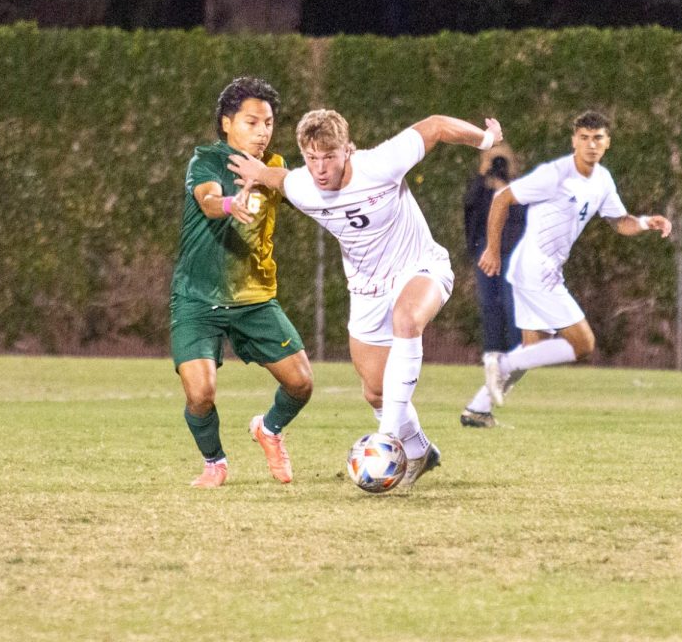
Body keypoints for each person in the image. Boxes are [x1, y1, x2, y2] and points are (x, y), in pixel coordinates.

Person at [228, 109, 503, 488]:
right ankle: (419, 451)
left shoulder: (380, 164)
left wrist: (486, 140)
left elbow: (436, 126)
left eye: (329, 156)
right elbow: (280, 178)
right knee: (375, 390)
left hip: (420, 267)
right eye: (311, 158)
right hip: (367, 290)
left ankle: (386, 439)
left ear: (349, 150)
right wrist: (257, 173)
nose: (320, 168)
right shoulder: (304, 186)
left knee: (406, 320)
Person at [461, 110, 671, 426]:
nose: (590, 144)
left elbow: (618, 221)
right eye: (584, 138)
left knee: (535, 349)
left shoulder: (602, 179)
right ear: (574, 141)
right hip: (535, 269)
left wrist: (644, 222)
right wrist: (491, 249)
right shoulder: (555, 174)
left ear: (607, 143)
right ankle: (500, 361)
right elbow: (502, 197)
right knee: (583, 344)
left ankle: (478, 409)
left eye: (597, 138)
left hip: (541, 269)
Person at [169, 76, 314, 489]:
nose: (263, 131)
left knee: (301, 383)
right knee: (200, 394)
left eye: (268, 122)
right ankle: (214, 462)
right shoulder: (207, 161)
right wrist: (232, 203)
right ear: (227, 123)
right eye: (252, 122)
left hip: (254, 299)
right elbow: (210, 202)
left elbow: (315, 197)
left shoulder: (275, 168)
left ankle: (268, 430)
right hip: (197, 298)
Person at [460, 143, 526, 428]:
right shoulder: (481, 189)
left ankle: (513, 356)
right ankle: (493, 355)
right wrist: (483, 172)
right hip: (486, 254)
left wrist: (507, 177)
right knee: (490, 307)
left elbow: (523, 216)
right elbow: (469, 206)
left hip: (512, 256)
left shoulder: (518, 189)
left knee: (512, 309)